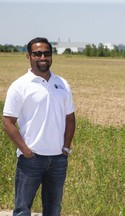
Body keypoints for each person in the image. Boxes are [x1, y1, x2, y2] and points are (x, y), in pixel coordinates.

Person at [3, 37, 76, 216]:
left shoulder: (62, 84)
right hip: (31, 160)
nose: (43, 56)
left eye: (47, 53)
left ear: (51, 56)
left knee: (53, 209)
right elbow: (8, 122)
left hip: (58, 159)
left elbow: (71, 119)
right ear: (28, 57)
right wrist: (26, 151)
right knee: (22, 209)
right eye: (37, 53)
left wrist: (66, 148)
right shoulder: (19, 86)